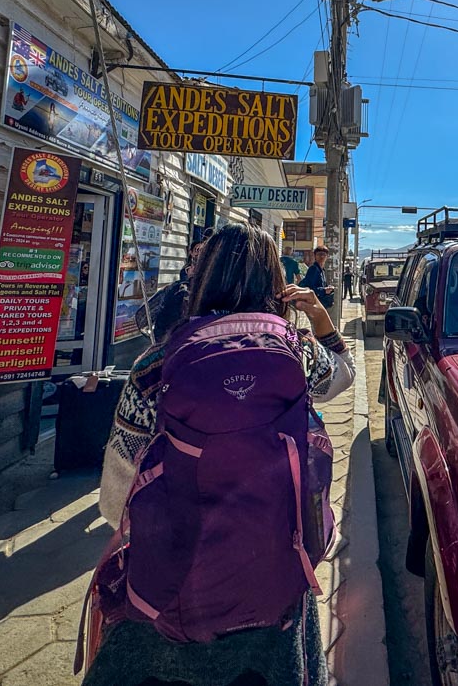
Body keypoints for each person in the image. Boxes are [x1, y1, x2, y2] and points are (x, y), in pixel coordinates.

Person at [90, 223, 353, 686]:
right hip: (276, 579)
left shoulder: (156, 364)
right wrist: (323, 324)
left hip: (172, 590)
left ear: (203, 275)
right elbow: (345, 377)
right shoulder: (300, 353)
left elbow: (115, 500)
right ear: (275, 282)